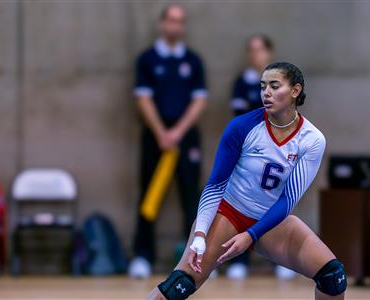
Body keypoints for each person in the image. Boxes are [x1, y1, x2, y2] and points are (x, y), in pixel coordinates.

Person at [147, 62, 347, 300]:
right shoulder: (242, 126)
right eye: (263, 87)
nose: (266, 93)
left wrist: (251, 235)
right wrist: (200, 233)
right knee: (179, 285)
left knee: (333, 276)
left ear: (295, 91)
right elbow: (214, 186)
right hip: (229, 212)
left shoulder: (312, 139)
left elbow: (289, 199)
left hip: (270, 220)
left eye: (274, 86)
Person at [129, 4, 207, 279]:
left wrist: (178, 132)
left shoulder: (193, 61)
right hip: (156, 138)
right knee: (149, 194)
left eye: (180, 22)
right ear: (162, 24)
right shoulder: (148, 59)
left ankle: (196, 258)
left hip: (186, 139)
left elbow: (199, 100)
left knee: (192, 197)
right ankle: (142, 256)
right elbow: (143, 98)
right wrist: (162, 132)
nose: (175, 26)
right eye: (171, 21)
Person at [226, 34, 274, 280]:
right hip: (248, 154)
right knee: (242, 205)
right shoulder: (241, 83)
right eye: (251, 50)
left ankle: (281, 261)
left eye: (260, 50)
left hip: (275, 155)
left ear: (269, 53)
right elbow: (240, 119)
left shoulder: (279, 83)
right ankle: (239, 259)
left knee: (273, 205)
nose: (256, 55)